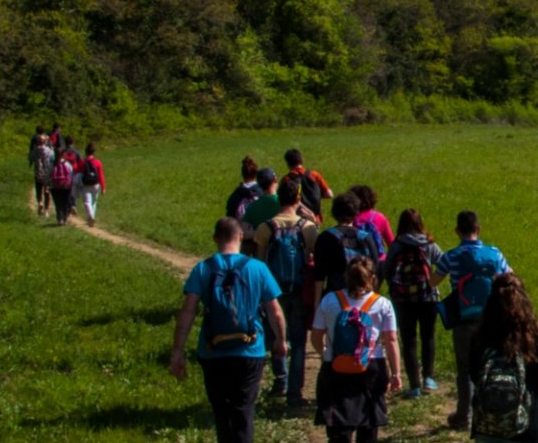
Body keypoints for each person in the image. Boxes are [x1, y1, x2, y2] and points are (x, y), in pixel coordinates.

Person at [169, 218, 288, 443]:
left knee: (222, 414)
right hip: (249, 351)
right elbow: (275, 312)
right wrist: (281, 340)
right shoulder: (258, 268)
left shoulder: (203, 269)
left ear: (215, 239)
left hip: (213, 351)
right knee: (243, 412)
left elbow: (187, 312)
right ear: (241, 237)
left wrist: (177, 350)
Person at [310, 257, 403, 443]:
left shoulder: (330, 300)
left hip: (335, 367)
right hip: (371, 366)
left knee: (338, 425)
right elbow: (391, 340)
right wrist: (396, 373)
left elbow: (316, 336)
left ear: (347, 276)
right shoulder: (382, 304)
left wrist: (325, 354)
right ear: (373, 278)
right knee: (368, 423)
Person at [435, 210, 512, 430]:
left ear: (457, 231)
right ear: (478, 229)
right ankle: (490, 411)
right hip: (491, 319)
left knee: (465, 368)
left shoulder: (450, 256)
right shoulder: (494, 253)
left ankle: (464, 415)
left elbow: (433, 281)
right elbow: (510, 278)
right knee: (490, 365)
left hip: (463, 319)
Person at [466, 274, 538, 442]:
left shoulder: (479, 338)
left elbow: (474, 375)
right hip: (527, 428)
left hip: (488, 426)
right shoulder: (536, 339)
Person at [255, 178, 321, 409]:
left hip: (273, 291)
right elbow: (314, 258)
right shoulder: (306, 227)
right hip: (299, 288)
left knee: (275, 336)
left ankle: (280, 380)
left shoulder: (266, 227)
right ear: (298, 198)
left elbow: (261, 262)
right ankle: (295, 392)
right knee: (299, 342)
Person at [379, 209, 443, 399]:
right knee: (428, 337)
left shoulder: (397, 245)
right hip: (427, 297)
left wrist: (394, 287)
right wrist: (432, 281)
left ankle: (414, 385)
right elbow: (444, 261)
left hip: (402, 299)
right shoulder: (428, 243)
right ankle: (429, 378)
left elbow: (387, 268)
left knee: (408, 341)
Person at [313, 195, 381, 293]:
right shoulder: (366, 237)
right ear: (355, 213)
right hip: (362, 294)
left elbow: (319, 275)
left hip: (336, 295)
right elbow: (375, 270)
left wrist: (317, 304)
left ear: (335, 213)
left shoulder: (325, 237)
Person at [283, 148, 335, 218]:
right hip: (315, 218)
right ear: (302, 160)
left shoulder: (287, 179)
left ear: (288, 164)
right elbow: (329, 194)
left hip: (296, 218)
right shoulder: (314, 175)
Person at [349, 185, 393, 262]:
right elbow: (391, 244)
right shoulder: (380, 217)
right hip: (378, 260)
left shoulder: (350, 219)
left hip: (355, 262)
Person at [77, 142, 107, 228]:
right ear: (93, 152)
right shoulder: (97, 162)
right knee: (93, 202)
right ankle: (91, 218)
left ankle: (91, 217)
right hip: (96, 185)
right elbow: (101, 175)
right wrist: (103, 187)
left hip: (86, 184)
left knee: (87, 202)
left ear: (86, 152)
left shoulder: (82, 162)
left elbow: (78, 172)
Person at [226, 156, 265, 221]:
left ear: (242, 174)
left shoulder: (235, 196)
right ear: (256, 174)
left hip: (240, 229)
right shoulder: (263, 193)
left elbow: (230, 217)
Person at [49, 143, 78, 225]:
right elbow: (71, 174)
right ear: (63, 154)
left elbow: (48, 174)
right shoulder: (67, 164)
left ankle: (59, 219)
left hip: (54, 186)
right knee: (65, 202)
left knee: (58, 203)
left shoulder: (52, 164)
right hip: (66, 186)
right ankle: (65, 219)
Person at [29, 133, 54, 218]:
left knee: (38, 190)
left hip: (38, 173)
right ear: (45, 141)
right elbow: (53, 160)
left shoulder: (35, 150)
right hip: (47, 174)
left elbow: (30, 158)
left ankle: (40, 202)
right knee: (47, 193)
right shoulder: (50, 151)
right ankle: (46, 211)